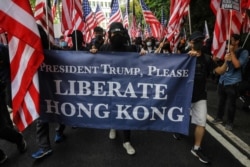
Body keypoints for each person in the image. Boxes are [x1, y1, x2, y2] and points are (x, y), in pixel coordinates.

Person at [90, 22, 136, 155]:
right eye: (114, 33)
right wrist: (92, 52)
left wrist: (143, 53)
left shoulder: (130, 49)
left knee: (125, 113)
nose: (116, 36)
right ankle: (113, 126)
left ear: (124, 35)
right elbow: (94, 60)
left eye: (119, 33)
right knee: (111, 109)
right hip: (109, 87)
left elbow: (142, 59)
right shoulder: (104, 48)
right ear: (109, 35)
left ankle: (126, 141)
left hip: (125, 88)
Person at [212, 34, 249, 131]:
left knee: (231, 104)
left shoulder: (243, 52)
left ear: (237, 41)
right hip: (223, 80)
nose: (229, 43)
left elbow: (237, 65)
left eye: (232, 40)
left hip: (233, 81)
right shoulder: (226, 50)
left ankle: (229, 122)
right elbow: (215, 60)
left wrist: (232, 53)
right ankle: (219, 118)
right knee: (221, 101)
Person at [0, 44, 27, 164]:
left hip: (4, 81)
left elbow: (12, 62)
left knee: (1, 128)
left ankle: (17, 137)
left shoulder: (1, 49)